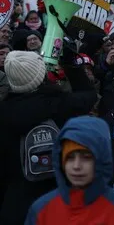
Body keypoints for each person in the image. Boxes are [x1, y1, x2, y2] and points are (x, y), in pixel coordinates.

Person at [0, 50, 98, 224]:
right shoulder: (61, 103)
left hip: (18, 205)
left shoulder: (4, 113)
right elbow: (89, 95)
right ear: (40, 74)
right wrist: (71, 62)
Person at [25, 116, 114, 224]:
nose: (76, 166)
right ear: (60, 160)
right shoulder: (42, 210)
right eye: (70, 157)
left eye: (86, 157)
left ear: (100, 160)